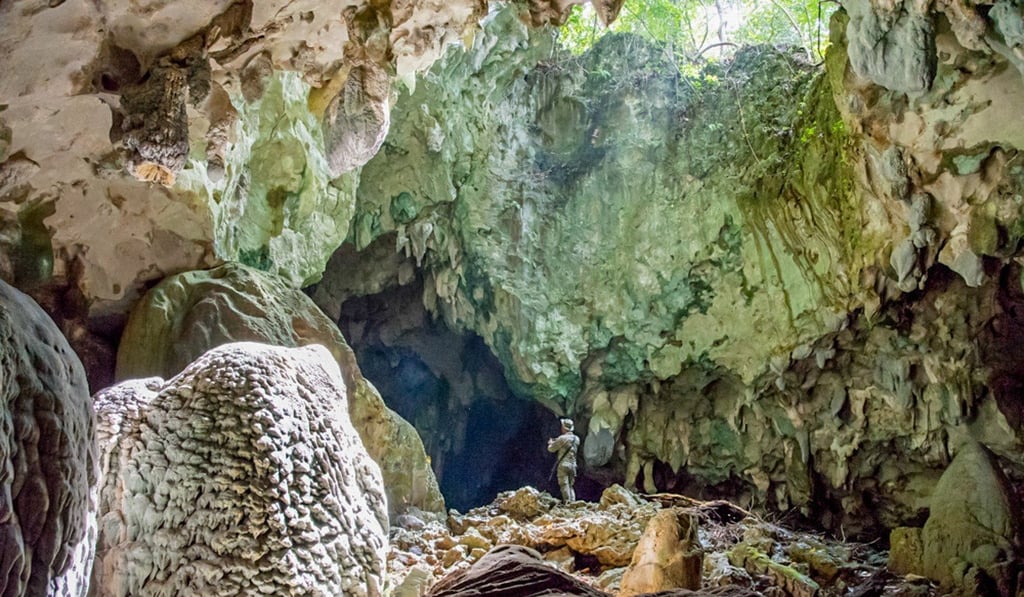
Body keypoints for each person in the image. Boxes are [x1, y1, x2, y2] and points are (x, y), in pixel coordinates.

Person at [547, 418, 579, 503]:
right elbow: (567, 440)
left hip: (564, 465)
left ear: (564, 428)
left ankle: (567, 502)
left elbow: (551, 449)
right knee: (571, 486)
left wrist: (551, 443)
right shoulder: (576, 439)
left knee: (564, 485)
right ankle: (573, 503)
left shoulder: (561, 438)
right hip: (573, 465)